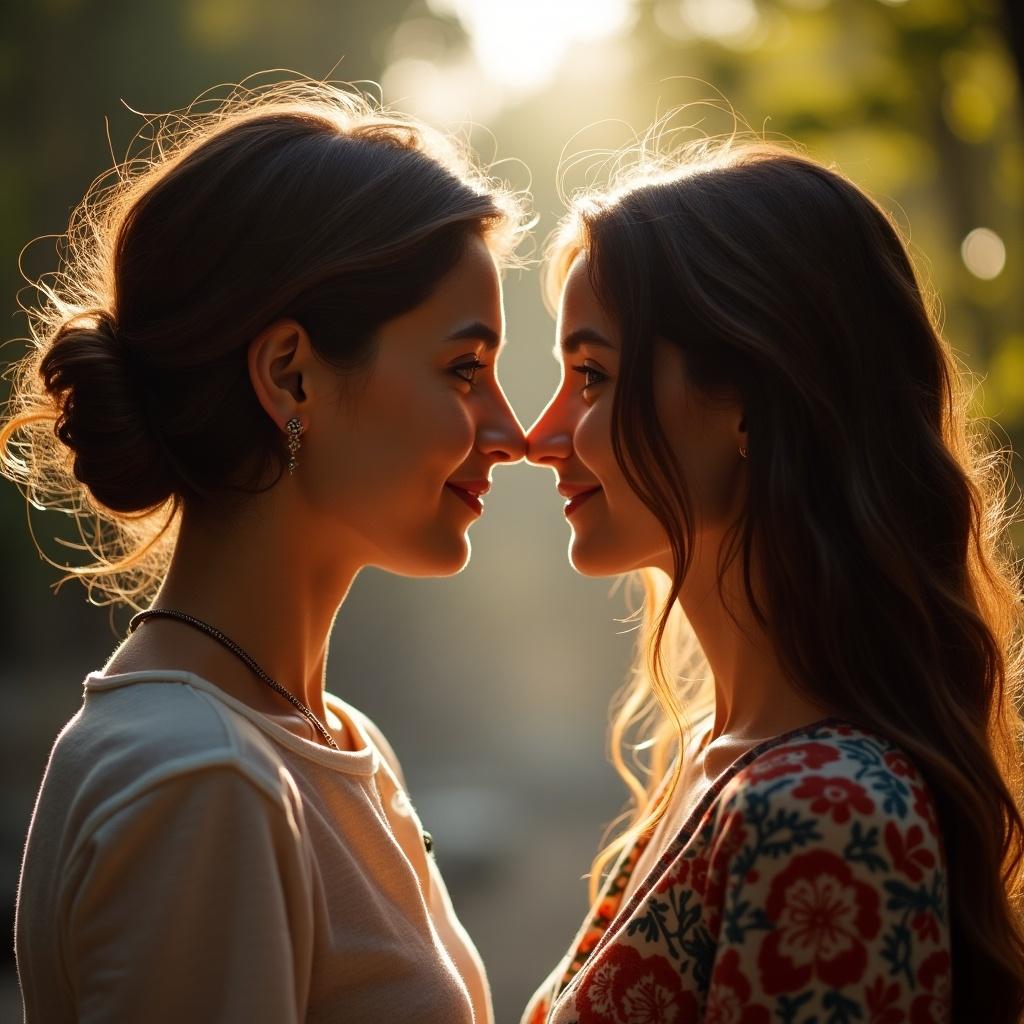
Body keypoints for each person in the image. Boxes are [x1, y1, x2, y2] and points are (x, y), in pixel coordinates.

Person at [1, 77, 528, 1023]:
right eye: (464, 369)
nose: (510, 430)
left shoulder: (326, 740)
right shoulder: (202, 781)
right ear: (291, 377)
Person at [522, 136, 1024, 1023]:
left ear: (748, 400)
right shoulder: (720, 767)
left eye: (592, 377)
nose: (542, 433)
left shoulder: (828, 814)